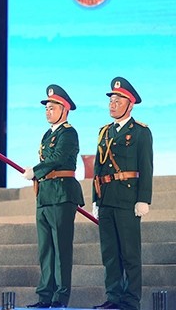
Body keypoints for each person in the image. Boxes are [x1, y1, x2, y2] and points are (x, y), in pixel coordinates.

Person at [91, 77, 152, 310]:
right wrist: (96, 199)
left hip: (128, 200)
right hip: (106, 198)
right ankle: (114, 297)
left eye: (118, 100)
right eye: (111, 100)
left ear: (131, 104)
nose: (112, 104)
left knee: (130, 254)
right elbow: (98, 168)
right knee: (110, 253)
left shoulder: (140, 132)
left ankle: (130, 300)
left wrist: (144, 199)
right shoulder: (104, 132)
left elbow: (146, 166)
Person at [23, 85, 84, 308]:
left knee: (61, 248)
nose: (47, 111)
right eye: (46, 108)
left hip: (61, 194)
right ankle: (44, 295)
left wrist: (35, 171)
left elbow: (57, 158)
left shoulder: (68, 133)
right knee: (45, 250)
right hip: (45, 195)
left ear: (64, 109)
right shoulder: (48, 134)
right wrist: (38, 175)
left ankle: (60, 295)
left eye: (52, 107)